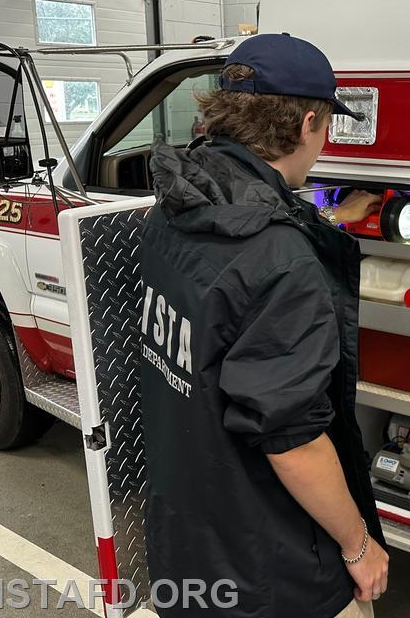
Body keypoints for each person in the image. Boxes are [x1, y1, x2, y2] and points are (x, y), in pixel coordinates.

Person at [138, 33, 388, 618]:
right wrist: (357, 546)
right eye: (325, 128)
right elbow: (293, 439)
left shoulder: (177, 205)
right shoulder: (280, 262)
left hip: (189, 546)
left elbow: (236, 263)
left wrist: (320, 218)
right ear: (306, 124)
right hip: (273, 573)